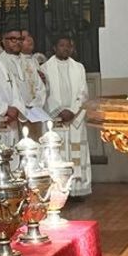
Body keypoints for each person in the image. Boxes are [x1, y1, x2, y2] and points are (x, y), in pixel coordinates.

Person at [42, 34, 92, 197]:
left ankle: (77, 190)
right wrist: (59, 111)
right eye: (61, 45)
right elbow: (45, 94)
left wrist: (72, 110)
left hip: (74, 119)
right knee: (58, 154)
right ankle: (58, 192)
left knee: (77, 154)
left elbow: (83, 93)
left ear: (72, 48)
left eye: (68, 46)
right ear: (54, 48)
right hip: (56, 119)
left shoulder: (79, 67)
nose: (65, 48)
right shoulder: (45, 68)